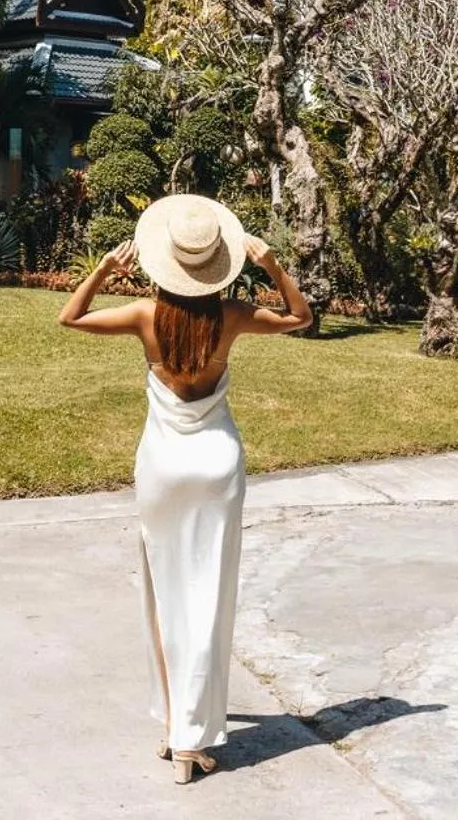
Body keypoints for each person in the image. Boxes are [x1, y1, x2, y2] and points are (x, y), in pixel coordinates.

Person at [58, 192, 312, 784]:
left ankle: (178, 730)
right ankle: (191, 738)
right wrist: (272, 265)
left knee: (165, 595)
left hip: (164, 470)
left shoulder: (147, 316)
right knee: (210, 596)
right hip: (217, 467)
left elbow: (69, 318)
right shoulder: (235, 316)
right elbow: (301, 317)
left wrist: (99, 271)